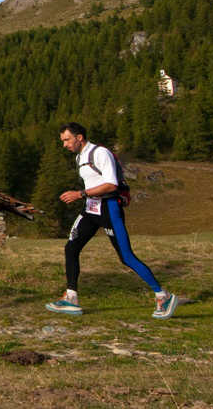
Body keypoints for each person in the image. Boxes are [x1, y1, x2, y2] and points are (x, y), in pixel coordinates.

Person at [46, 122, 178, 319]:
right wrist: (84, 196)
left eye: (67, 140)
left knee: (126, 257)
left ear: (79, 137)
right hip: (91, 208)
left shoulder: (100, 153)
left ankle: (163, 295)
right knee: (71, 248)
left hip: (109, 208)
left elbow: (110, 184)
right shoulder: (79, 157)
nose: (64, 144)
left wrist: (80, 193)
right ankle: (71, 297)